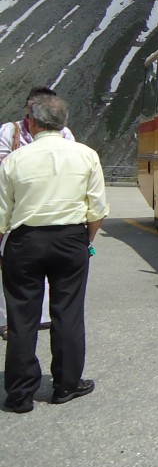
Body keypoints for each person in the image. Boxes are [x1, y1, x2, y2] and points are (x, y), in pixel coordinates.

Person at [0, 94, 108, 413]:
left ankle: (19, 394)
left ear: (31, 122)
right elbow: (98, 209)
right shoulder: (86, 155)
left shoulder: (15, 160)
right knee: (68, 311)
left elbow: (2, 214)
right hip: (70, 238)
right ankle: (66, 384)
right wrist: (84, 240)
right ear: (63, 123)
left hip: (25, 240)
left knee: (22, 316)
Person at [0, 86, 74, 341]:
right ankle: (10, 321)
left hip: (43, 213)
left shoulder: (66, 135)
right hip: (20, 209)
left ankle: (35, 322)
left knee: (24, 276)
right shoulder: (10, 131)